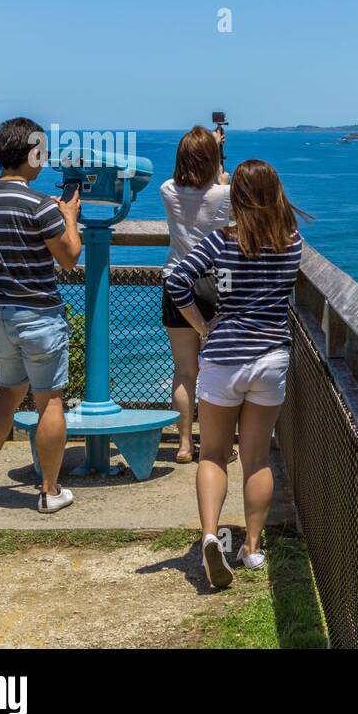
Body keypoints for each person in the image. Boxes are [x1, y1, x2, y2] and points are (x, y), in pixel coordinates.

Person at [165, 160, 308, 589]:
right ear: (276, 193)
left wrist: (201, 326)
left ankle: (211, 535)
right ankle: (252, 547)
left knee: (211, 454)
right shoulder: (294, 244)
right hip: (270, 360)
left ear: (237, 198)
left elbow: (177, 281)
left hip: (224, 359)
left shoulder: (219, 243)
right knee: (257, 458)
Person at [0, 117, 81, 513]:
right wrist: (68, 217)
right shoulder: (38, 206)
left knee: (7, 394)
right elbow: (69, 258)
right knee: (48, 402)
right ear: (31, 155)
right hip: (38, 312)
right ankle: (50, 491)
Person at [159, 125, 231, 463]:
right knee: (218, 368)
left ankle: (184, 445)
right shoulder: (224, 194)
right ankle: (219, 445)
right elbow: (221, 197)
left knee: (185, 370)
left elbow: (187, 185)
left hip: (176, 282)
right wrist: (220, 169)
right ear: (212, 160)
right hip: (215, 283)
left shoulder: (167, 190)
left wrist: (208, 155)